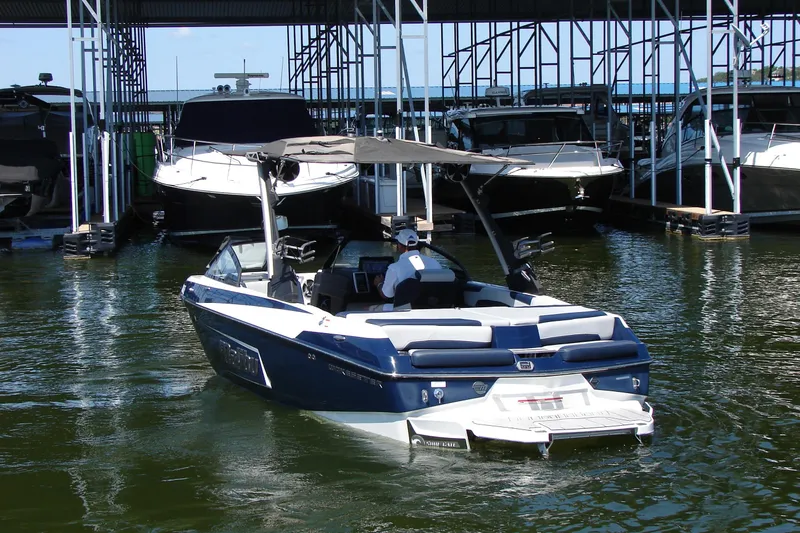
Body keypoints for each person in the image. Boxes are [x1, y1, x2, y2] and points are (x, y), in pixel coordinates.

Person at [371, 228, 442, 310]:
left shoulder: (395, 268)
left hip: (406, 309)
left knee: (370, 308)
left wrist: (379, 283)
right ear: (416, 244)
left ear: (399, 245)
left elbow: (386, 295)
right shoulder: (435, 263)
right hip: (433, 307)